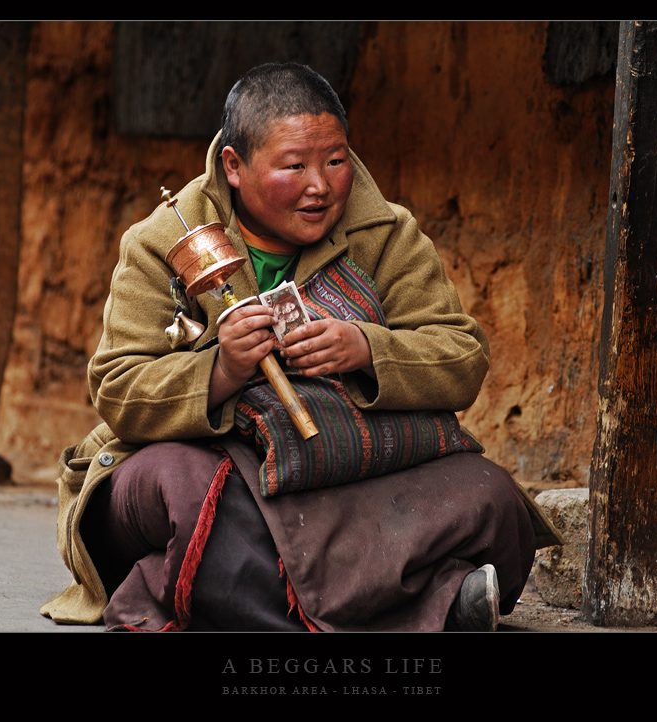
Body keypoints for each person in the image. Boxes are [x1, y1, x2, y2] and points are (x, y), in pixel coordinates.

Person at [40, 62, 556, 632]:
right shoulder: (164, 243)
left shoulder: (383, 234)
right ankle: (428, 607)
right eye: (294, 166)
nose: (321, 185)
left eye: (335, 160)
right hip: (224, 463)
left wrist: (365, 347)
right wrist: (223, 369)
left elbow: (461, 356)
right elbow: (118, 390)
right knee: (193, 499)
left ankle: (231, 600)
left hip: (343, 461)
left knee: (488, 497)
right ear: (234, 167)